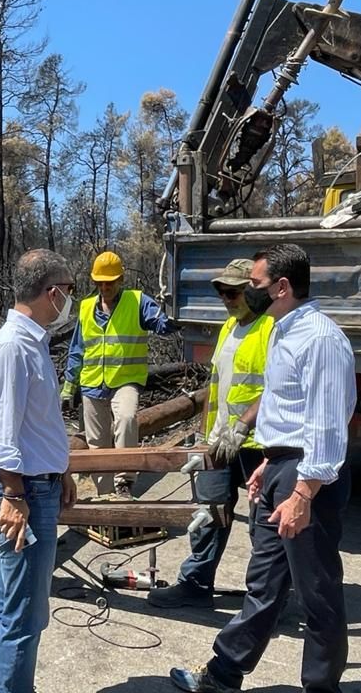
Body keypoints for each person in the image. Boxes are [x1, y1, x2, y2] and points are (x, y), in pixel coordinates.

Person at [170, 244, 356, 693]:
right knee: (264, 583)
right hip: (281, 467)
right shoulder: (280, 331)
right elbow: (284, 406)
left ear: (282, 286)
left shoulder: (321, 339)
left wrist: (303, 493)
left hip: (307, 476)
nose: (249, 292)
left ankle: (322, 686)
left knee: (317, 590)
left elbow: (328, 425)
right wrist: (269, 462)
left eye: (255, 284)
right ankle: (223, 673)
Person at [0, 249, 79, 693]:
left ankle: (8, 685)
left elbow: (36, 424)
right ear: (51, 292)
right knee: (26, 613)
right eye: (69, 290)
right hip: (23, 493)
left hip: (35, 486)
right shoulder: (13, 348)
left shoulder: (30, 343)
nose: (71, 299)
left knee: (9, 599)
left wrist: (62, 471)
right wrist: (14, 495)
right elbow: (2, 435)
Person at [148, 258, 273, 610]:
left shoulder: (270, 329)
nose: (226, 299)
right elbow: (215, 387)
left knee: (263, 526)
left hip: (258, 443)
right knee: (207, 513)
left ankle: (265, 600)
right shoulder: (229, 327)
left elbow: (278, 388)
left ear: (253, 290)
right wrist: (205, 435)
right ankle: (195, 584)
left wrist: (244, 427)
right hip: (220, 441)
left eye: (234, 292)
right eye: (222, 292)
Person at [61, 250, 175, 498]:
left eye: (110, 282)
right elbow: (77, 348)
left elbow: (162, 325)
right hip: (92, 383)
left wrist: (173, 308)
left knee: (126, 418)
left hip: (126, 380)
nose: (105, 288)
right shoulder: (86, 307)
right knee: (97, 442)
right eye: (100, 283)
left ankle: (124, 481)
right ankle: (105, 493)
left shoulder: (137, 301)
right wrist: (69, 384)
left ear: (120, 279)